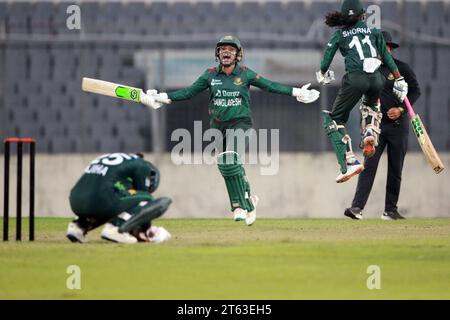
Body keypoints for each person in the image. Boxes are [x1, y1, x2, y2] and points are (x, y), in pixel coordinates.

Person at [139, 35, 320, 226]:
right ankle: (249, 200)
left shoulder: (245, 74)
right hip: (218, 126)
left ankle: (239, 207)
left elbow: (270, 86)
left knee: (231, 159)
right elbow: (188, 92)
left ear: (238, 54)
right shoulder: (210, 75)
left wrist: (298, 92)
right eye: (223, 49)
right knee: (225, 166)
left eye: (231, 49)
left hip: (240, 123)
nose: (226, 52)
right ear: (217, 53)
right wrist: (162, 96)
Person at [316, 0, 409, 183]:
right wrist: (399, 78)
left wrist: (323, 72)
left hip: (355, 79)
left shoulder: (340, 34)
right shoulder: (374, 31)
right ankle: (369, 133)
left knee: (334, 119)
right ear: (362, 15)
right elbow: (388, 58)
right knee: (371, 105)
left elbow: (326, 59)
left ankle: (350, 160)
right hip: (376, 79)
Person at [344, 31, 421, 220]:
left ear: (389, 48)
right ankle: (357, 208)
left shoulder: (401, 69)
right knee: (368, 166)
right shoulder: (369, 70)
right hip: (375, 126)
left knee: (396, 168)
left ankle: (390, 210)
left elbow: (415, 91)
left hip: (398, 125)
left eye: (384, 47)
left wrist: (401, 110)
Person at [66, 152, 172, 243]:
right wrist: (145, 228)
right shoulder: (143, 165)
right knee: (147, 197)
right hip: (101, 199)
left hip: (75, 200)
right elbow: (142, 196)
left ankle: (78, 226)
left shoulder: (108, 158)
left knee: (113, 202)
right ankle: (115, 229)